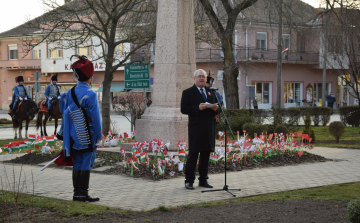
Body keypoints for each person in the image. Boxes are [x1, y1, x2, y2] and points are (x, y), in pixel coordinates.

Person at [57, 55, 102, 202]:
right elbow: (96, 118)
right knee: (86, 162)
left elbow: (64, 112)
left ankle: (77, 193)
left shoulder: (66, 94)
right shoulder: (91, 94)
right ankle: (83, 193)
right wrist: (99, 137)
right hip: (87, 135)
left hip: (71, 136)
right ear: (90, 77)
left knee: (77, 162)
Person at [180, 69, 218, 190]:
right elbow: (184, 109)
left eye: (204, 77)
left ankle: (203, 180)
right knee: (193, 154)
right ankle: (189, 181)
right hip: (196, 128)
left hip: (208, 127)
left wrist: (215, 109)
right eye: (199, 76)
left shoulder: (211, 92)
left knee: (206, 154)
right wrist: (197, 108)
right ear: (194, 79)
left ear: (206, 79)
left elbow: (218, 108)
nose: (201, 78)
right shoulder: (188, 92)